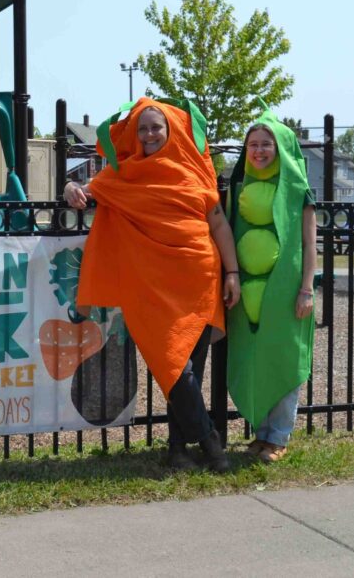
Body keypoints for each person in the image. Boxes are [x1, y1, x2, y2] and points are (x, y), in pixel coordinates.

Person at [64, 97, 240, 472]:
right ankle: (210, 441)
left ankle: (178, 451)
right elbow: (87, 192)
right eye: (142, 128)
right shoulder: (124, 173)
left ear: (170, 129)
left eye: (155, 127)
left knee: (186, 366)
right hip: (151, 286)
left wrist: (232, 273)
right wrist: (68, 188)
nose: (148, 134)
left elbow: (219, 223)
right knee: (173, 367)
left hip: (198, 278)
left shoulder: (197, 170)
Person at [226, 107, 316, 463]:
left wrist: (306, 289)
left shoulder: (299, 192)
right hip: (248, 291)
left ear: (280, 149)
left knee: (283, 360)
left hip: (286, 290)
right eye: (253, 145)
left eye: (267, 145)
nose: (259, 151)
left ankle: (278, 437)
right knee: (255, 360)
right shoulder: (239, 188)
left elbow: (310, 245)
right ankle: (261, 434)